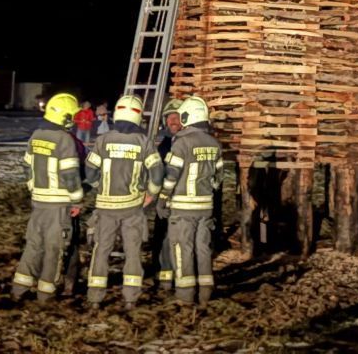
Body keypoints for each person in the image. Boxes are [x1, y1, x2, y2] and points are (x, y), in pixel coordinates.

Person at [83, 94, 161, 308]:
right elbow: (156, 173)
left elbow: (90, 173)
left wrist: (101, 187)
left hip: (106, 207)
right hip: (133, 208)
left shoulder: (103, 140)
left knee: (101, 250)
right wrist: (150, 195)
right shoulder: (143, 142)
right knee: (133, 252)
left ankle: (95, 298)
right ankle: (130, 298)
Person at [12, 91, 85, 301]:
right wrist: (77, 200)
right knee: (55, 249)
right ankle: (46, 293)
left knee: (34, 245)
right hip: (59, 205)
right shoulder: (65, 140)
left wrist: (33, 189)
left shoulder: (36, 136)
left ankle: (20, 288)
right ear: (65, 117)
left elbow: (26, 166)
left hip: (39, 202)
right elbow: (71, 174)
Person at [161, 96, 221, 307]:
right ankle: (206, 291)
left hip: (183, 207)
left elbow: (171, 176)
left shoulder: (181, 143)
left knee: (182, 248)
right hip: (205, 207)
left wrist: (162, 199)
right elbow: (218, 178)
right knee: (203, 248)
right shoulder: (214, 143)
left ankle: (185, 295)